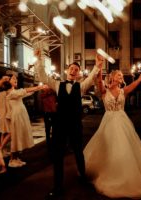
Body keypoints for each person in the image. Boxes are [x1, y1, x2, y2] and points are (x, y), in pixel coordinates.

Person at [84, 59, 141, 199]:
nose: (121, 77)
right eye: (118, 75)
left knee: (123, 149)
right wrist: (100, 67)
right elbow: (99, 81)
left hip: (122, 122)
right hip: (108, 122)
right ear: (112, 77)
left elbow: (138, 81)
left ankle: (125, 176)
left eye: (121, 75)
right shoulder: (104, 90)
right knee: (107, 148)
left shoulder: (123, 91)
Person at [35, 50, 103, 198]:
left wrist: (97, 66)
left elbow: (91, 78)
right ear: (67, 71)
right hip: (59, 125)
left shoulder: (81, 86)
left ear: (78, 74)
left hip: (75, 125)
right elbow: (42, 76)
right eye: (71, 68)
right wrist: (39, 59)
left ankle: (83, 177)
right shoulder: (57, 84)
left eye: (76, 69)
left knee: (79, 152)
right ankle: (58, 186)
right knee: (58, 156)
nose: (74, 71)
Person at [4, 74, 47, 168]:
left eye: (16, 79)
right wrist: (38, 87)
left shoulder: (15, 91)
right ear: (8, 81)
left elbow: (26, 93)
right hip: (16, 116)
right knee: (16, 136)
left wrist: (37, 88)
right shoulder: (9, 93)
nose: (16, 80)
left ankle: (16, 157)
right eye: (13, 79)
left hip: (21, 115)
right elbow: (24, 91)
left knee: (19, 135)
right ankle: (12, 159)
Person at [40, 87, 57, 152]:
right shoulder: (43, 94)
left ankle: (52, 141)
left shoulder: (53, 92)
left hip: (53, 112)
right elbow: (41, 99)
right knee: (48, 128)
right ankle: (49, 142)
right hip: (47, 112)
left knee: (53, 127)